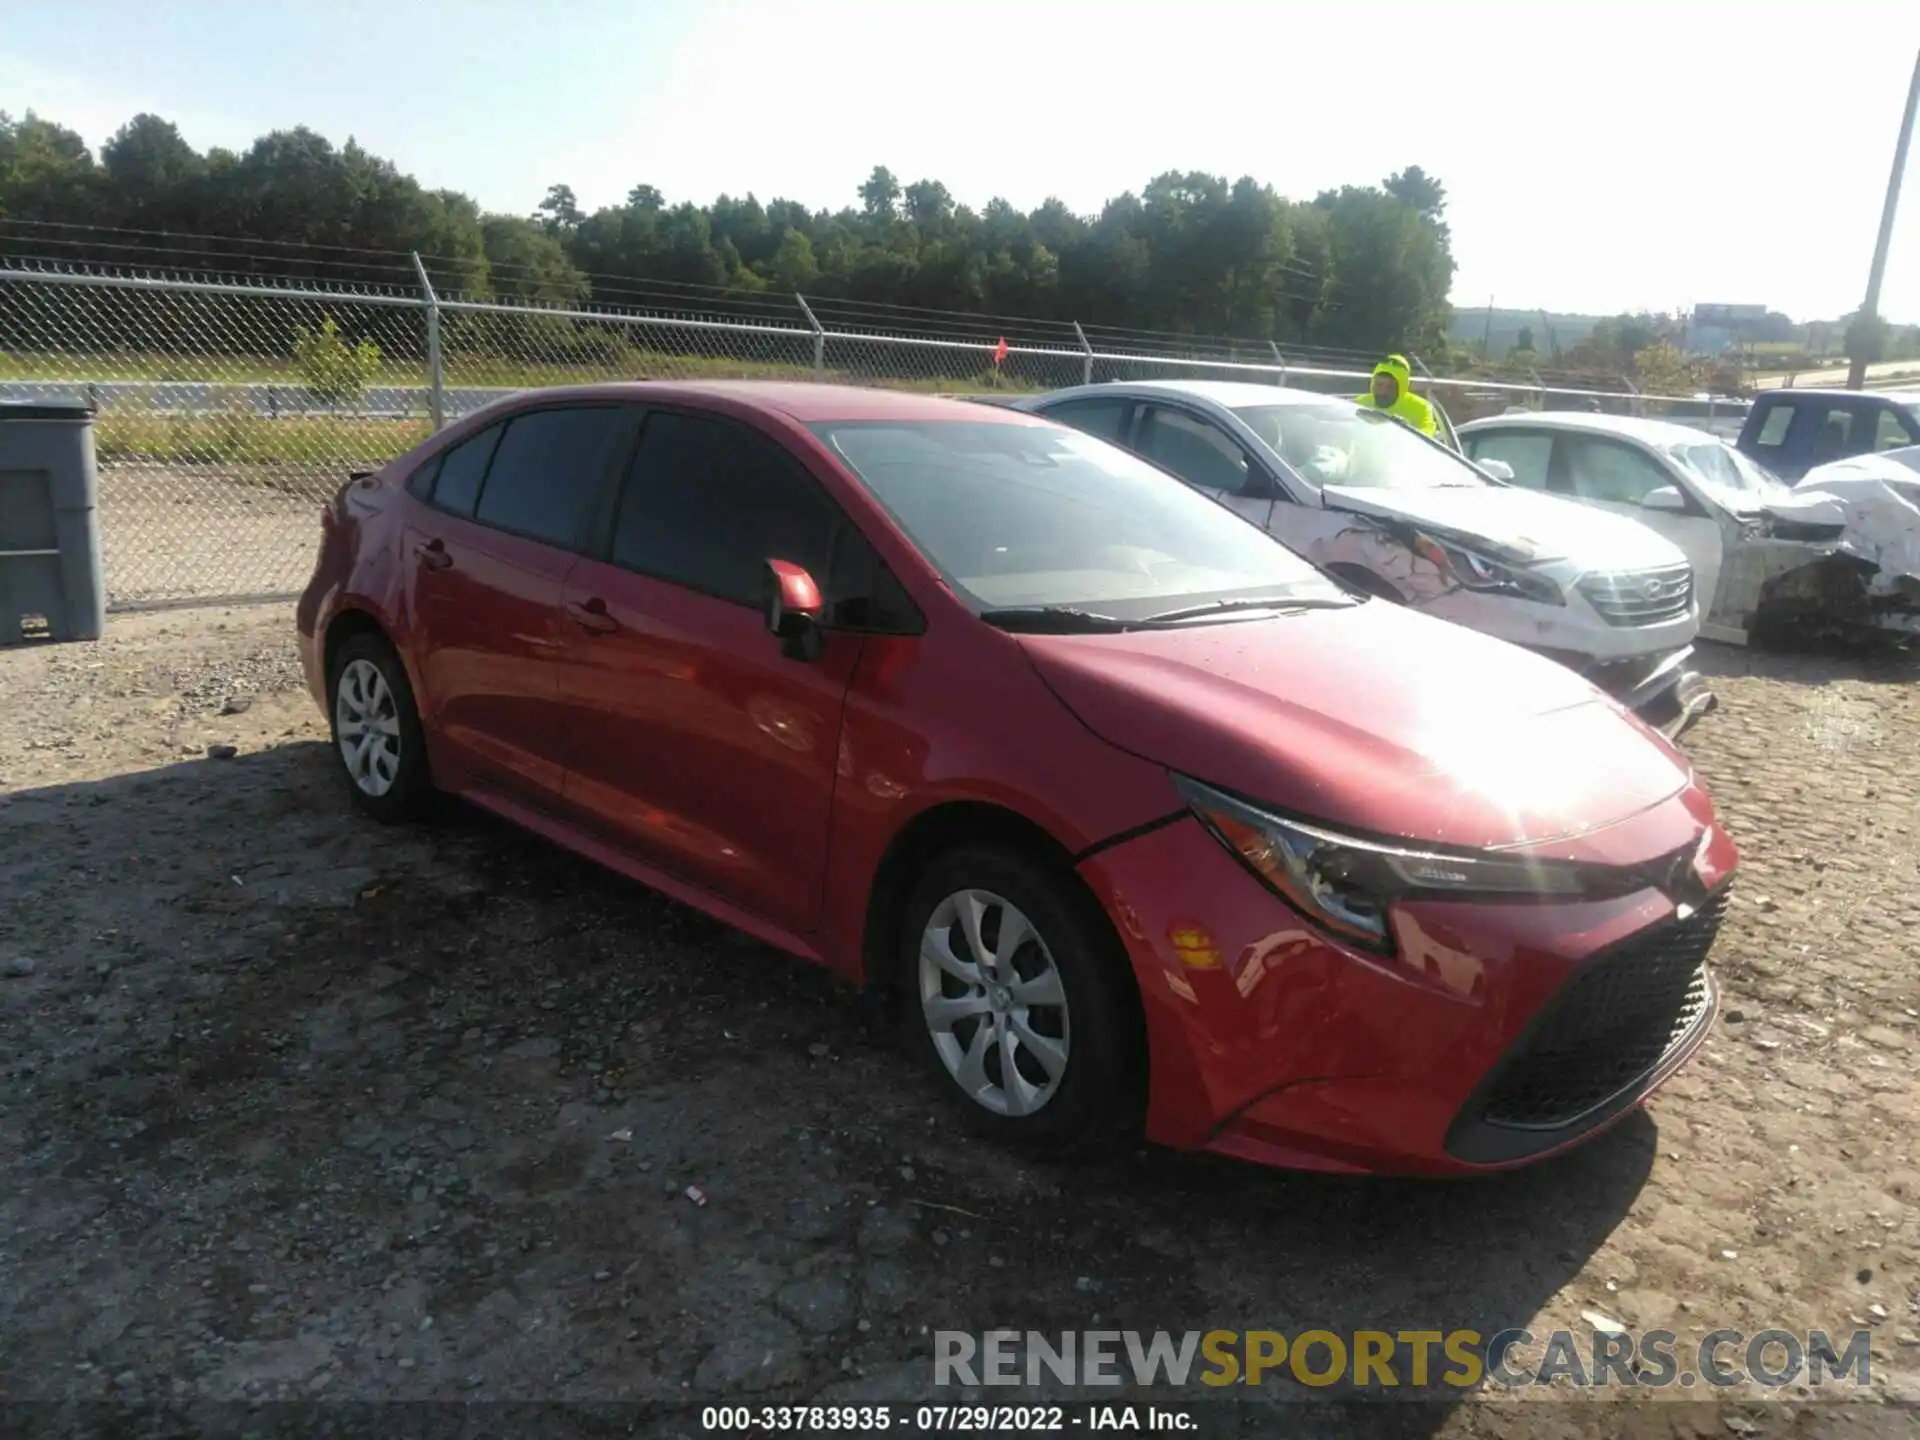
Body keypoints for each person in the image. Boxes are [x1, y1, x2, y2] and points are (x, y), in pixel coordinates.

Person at [1354, 353, 1438, 438]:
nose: (1383, 391)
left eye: (1390, 387)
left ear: (1402, 388)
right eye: (1379, 384)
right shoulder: (1360, 404)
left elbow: (1425, 440)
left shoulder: (1421, 409)